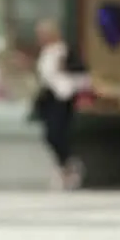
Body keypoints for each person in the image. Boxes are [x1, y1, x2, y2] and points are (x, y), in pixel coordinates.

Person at [30, 19, 89, 190]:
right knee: (50, 134)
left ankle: (69, 165)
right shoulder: (45, 54)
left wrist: (66, 76)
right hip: (50, 98)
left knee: (59, 132)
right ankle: (63, 166)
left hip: (64, 98)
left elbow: (82, 75)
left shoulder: (66, 52)